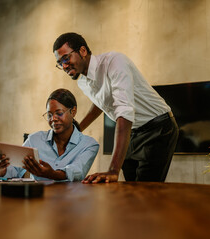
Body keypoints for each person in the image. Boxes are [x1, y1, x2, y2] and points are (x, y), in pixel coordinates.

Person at [53, 32, 179, 184]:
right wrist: (77, 129)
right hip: (133, 132)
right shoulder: (83, 82)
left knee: (147, 191)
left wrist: (113, 170)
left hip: (158, 128)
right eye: (60, 63)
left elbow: (124, 111)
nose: (64, 66)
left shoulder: (114, 62)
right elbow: (100, 103)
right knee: (132, 190)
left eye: (66, 58)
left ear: (83, 51)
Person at [0, 88, 99, 181]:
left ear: (73, 112)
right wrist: (1, 169)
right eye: (49, 115)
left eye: (59, 113)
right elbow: (14, 171)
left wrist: (50, 174)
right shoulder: (34, 140)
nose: (53, 119)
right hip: (38, 201)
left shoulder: (89, 144)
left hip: (71, 202)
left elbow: (77, 172)